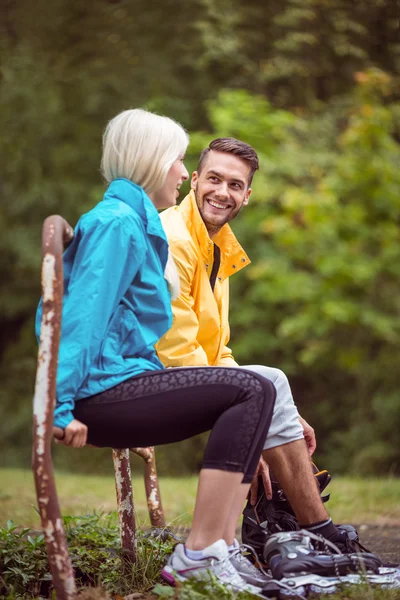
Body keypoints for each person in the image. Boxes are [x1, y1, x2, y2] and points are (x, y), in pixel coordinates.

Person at [35, 110, 285, 597]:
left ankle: (219, 551)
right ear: (151, 162)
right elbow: (79, 323)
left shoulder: (133, 221)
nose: (180, 171)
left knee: (255, 389)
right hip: (98, 396)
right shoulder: (116, 224)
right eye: (175, 159)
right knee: (251, 389)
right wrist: (57, 407)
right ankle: (201, 555)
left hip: (118, 383)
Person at [155, 137, 365, 571]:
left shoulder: (216, 248)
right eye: (213, 179)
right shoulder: (176, 240)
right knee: (267, 381)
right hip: (149, 382)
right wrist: (250, 414)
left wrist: (266, 413)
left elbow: (218, 350)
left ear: (246, 196)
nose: (222, 192)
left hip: (180, 375)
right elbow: (174, 348)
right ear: (194, 181)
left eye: (235, 185)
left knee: (270, 383)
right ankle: (319, 532)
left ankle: (312, 530)